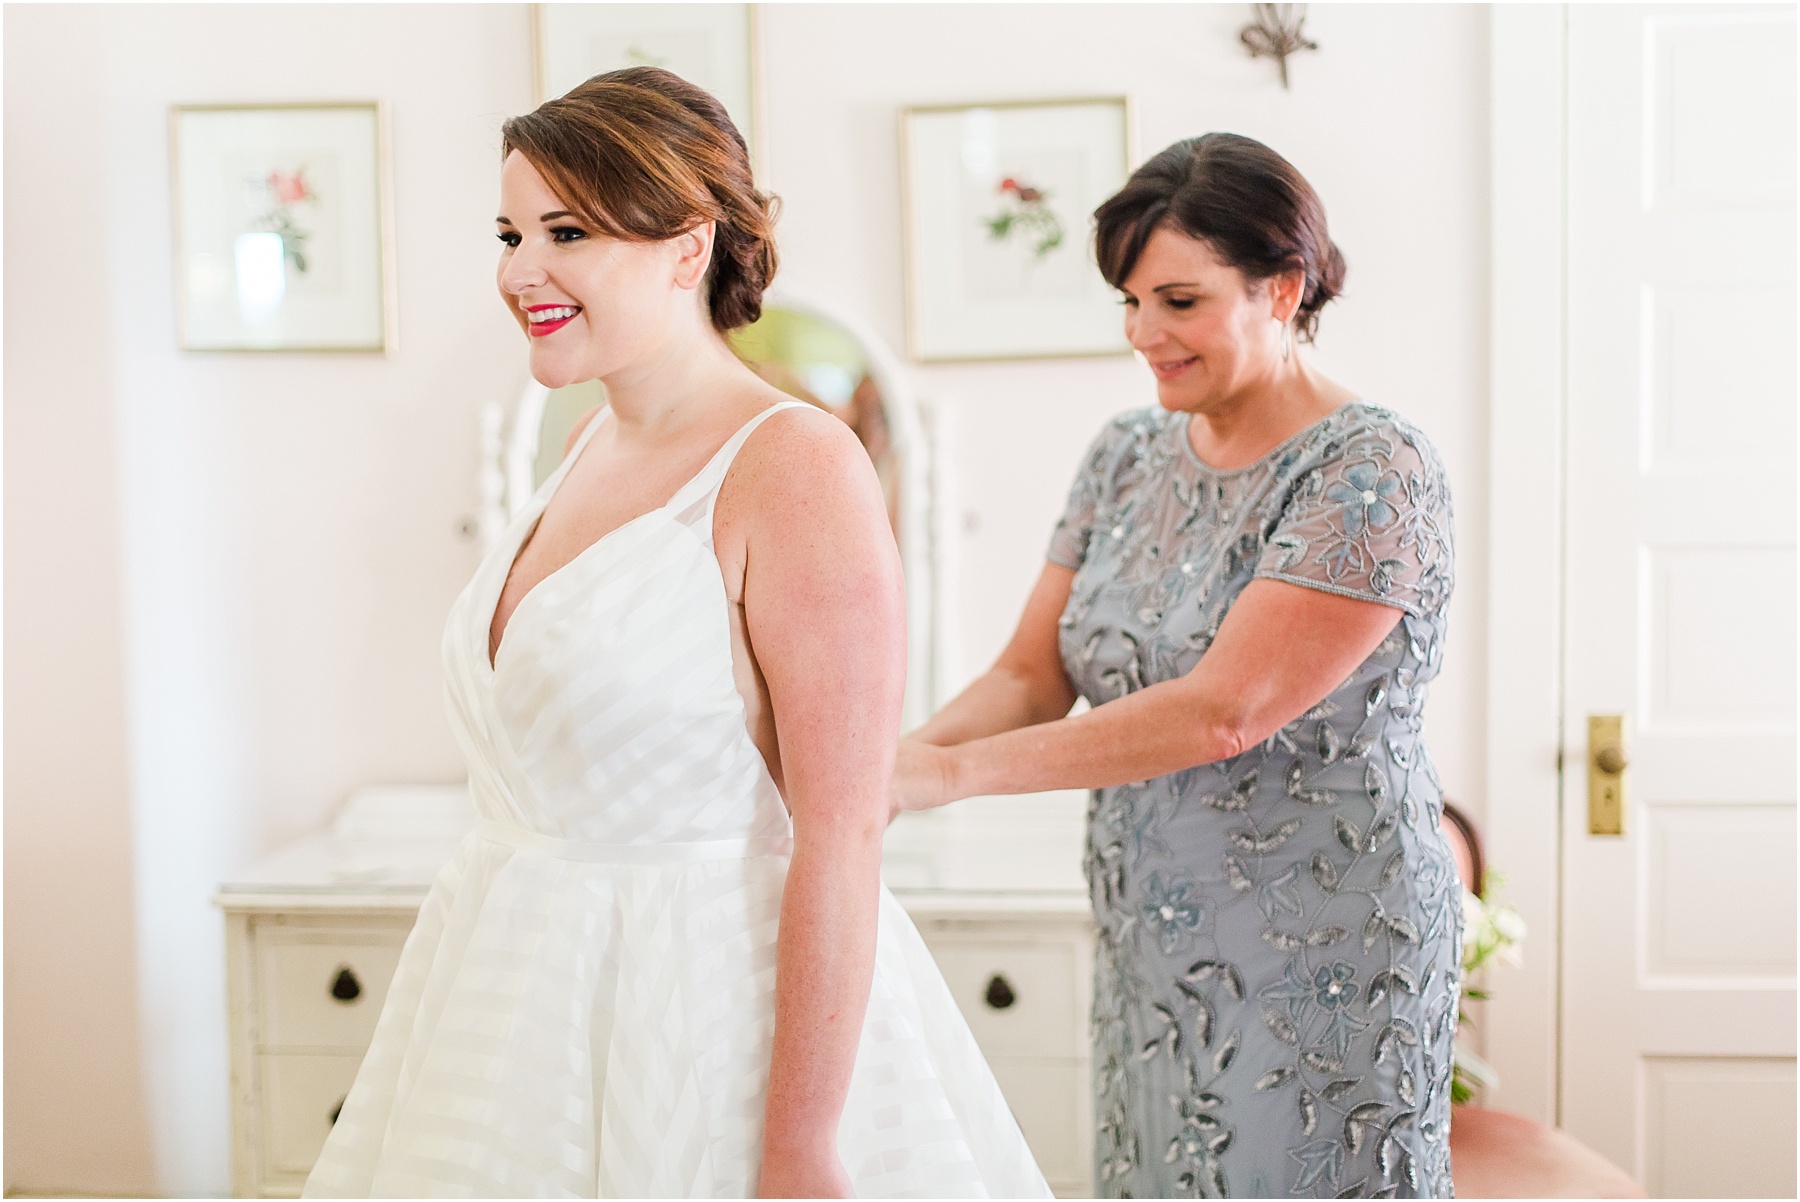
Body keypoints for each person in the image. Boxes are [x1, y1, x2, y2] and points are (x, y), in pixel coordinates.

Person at [305, 67, 1048, 1199]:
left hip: (701, 1021)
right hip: (507, 1011)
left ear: (687, 244)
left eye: (566, 230)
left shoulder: (794, 467)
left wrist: (799, 1145)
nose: (519, 270)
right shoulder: (585, 447)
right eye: (509, 232)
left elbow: (840, 837)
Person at [893, 133, 1462, 1198]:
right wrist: (889, 758)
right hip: (1154, 935)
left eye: (1179, 301)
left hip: (1324, 952)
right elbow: (1029, 674)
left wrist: (948, 780)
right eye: (1129, 302)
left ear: (1283, 287)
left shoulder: (1374, 468)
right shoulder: (1122, 453)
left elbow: (1223, 710)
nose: (1144, 334)